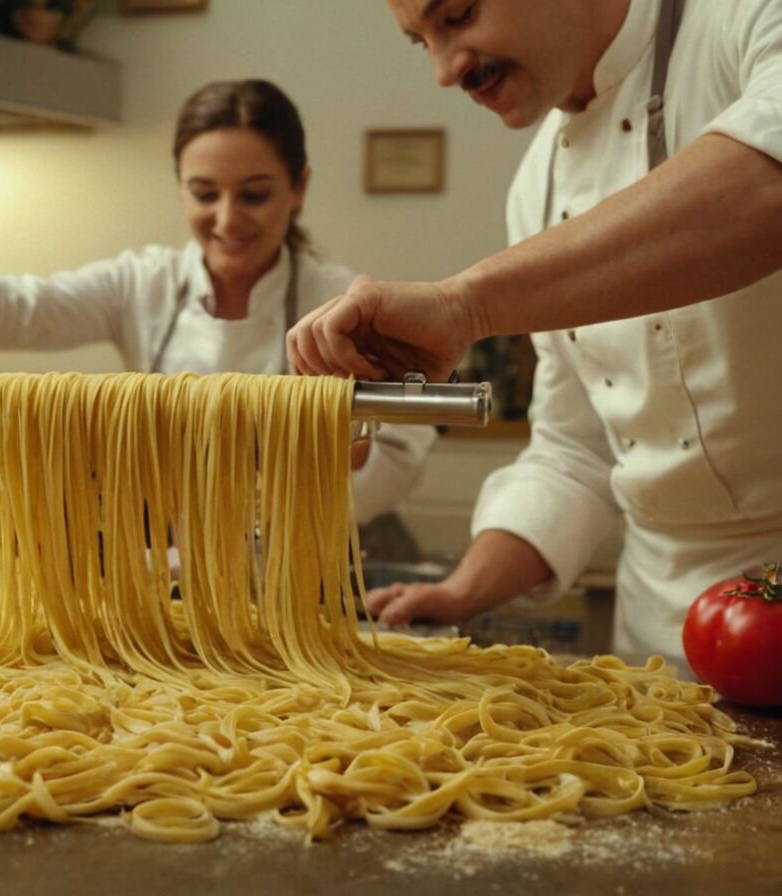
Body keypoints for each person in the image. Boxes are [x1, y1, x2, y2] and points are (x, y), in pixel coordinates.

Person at [287, 0, 782, 672]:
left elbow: (765, 182)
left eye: (457, 15)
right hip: (664, 625)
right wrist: (463, 589)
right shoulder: (537, 187)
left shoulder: (744, 18)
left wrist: (464, 304)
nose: (442, 70)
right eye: (418, 42)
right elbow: (574, 450)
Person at [0, 78, 436, 558]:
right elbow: (25, 307)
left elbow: (402, 449)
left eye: (255, 195)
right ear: (181, 189)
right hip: (170, 574)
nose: (227, 218)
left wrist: (340, 453)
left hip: (311, 566)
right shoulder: (142, 284)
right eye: (204, 193)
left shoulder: (343, 301)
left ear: (299, 188)